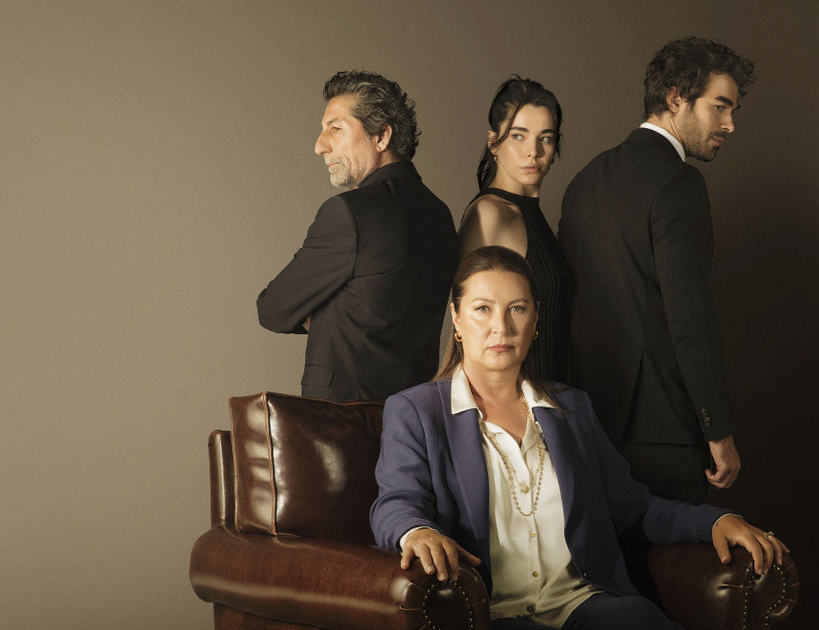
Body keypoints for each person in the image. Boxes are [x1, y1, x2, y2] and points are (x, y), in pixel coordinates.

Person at [370, 246, 788, 629]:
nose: (501, 326)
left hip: (581, 604)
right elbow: (395, 503)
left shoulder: (571, 409)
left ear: (535, 320)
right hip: (491, 613)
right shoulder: (415, 411)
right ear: (457, 319)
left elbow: (633, 508)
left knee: (639, 619)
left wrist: (715, 520)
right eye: (482, 309)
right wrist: (416, 531)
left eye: (517, 308)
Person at [558, 37, 755, 503]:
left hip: (588, 423)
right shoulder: (680, 183)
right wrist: (717, 429)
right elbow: (690, 317)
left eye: (733, 110)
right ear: (675, 98)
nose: (730, 124)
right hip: (663, 432)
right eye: (720, 107)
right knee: (674, 548)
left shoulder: (584, 180)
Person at [257, 70, 458, 402]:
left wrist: (327, 314)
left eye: (335, 128)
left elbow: (273, 308)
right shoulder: (441, 215)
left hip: (342, 421)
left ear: (381, 136)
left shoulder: (348, 213)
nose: (320, 146)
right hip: (416, 416)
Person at [458, 77, 573, 382]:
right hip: (516, 396)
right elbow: (471, 324)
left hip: (552, 393)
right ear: (493, 142)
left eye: (545, 138)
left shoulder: (531, 215)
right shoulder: (490, 213)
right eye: (518, 136)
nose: (533, 151)